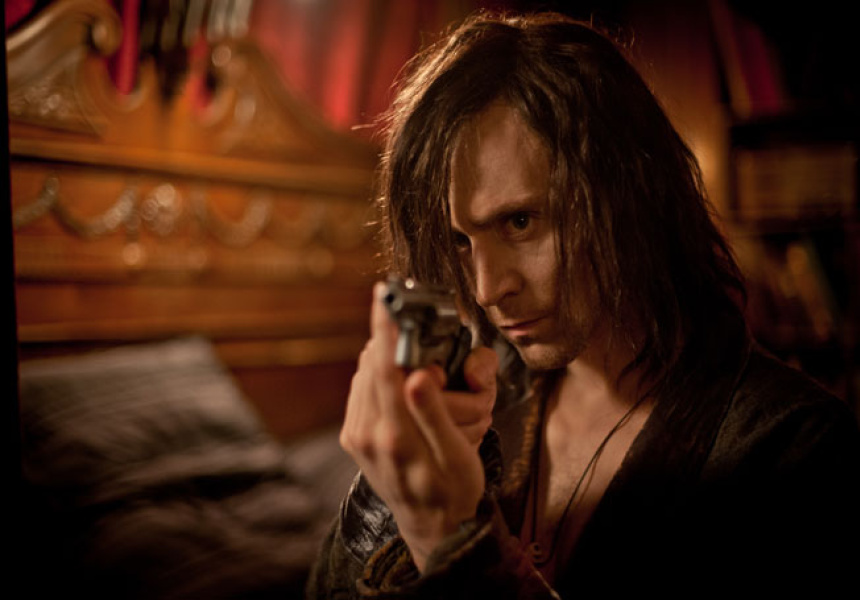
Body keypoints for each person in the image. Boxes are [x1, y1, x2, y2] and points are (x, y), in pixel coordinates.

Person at [306, 11, 860, 598]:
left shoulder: (798, 451)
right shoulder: (480, 404)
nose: (488, 289)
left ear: (631, 197)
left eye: (520, 222)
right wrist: (385, 496)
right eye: (460, 242)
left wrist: (450, 537)